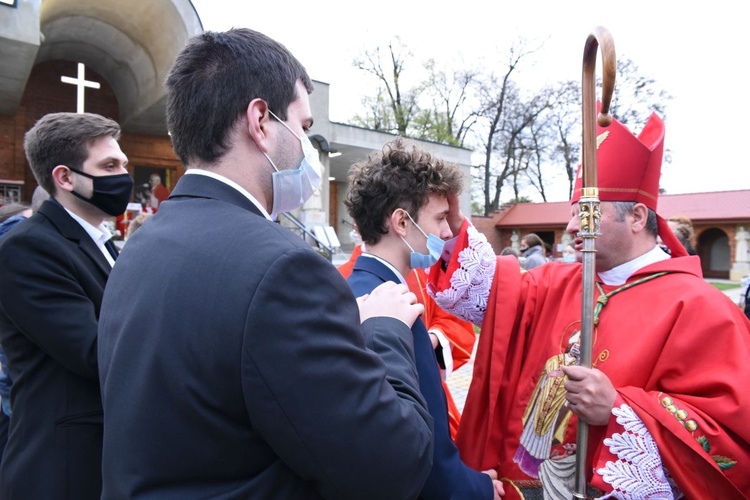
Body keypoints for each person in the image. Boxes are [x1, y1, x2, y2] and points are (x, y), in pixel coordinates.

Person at [97, 28, 433, 499]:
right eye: (304, 127)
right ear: (260, 121)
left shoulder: (143, 240)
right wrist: (383, 330)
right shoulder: (282, 270)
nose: (307, 148)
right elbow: (394, 467)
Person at [427, 111, 750, 498]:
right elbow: (494, 298)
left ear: (637, 216)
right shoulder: (557, 281)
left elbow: (729, 436)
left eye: (586, 214)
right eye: (573, 213)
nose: (571, 228)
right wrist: (454, 234)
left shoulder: (702, 309)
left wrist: (619, 408)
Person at [344, 137, 504, 499]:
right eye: (440, 218)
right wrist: (477, 488)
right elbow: (419, 440)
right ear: (401, 222)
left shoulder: (356, 288)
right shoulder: (393, 304)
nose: (448, 233)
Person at [0, 112, 131, 499]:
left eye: (123, 163)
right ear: (65, 177)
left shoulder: (100, 240)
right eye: (109, 166)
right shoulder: (28, 248)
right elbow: (94, 351)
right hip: (65, 465)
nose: (124, 174)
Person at [338, 230, 477, 440]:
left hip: (429, 386)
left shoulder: (421, 272)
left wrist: (432, 340)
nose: (445, 231)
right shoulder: (340, 278)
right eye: (439, 219)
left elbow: (452, 320)